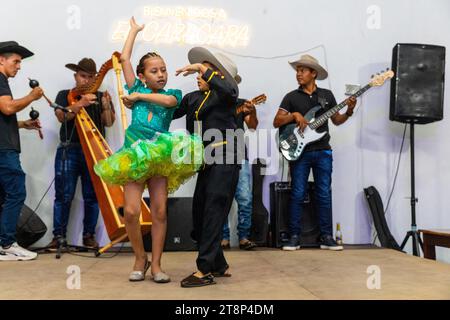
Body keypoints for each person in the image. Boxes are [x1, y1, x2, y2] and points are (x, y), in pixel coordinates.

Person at [94, 17, 202, 283]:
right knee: (130, 211)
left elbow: (167, 101)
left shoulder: (172, 93)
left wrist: (139, 97)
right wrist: (133, 31)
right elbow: (125, 59)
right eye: (155, 71)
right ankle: (139, 257)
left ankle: (156, 264)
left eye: (163, 69)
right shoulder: (135, 86)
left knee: (160, 211)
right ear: (142, 76)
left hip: (159, 155)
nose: (162, 74)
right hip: (135, 155)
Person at [173, 47, 243, 287]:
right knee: (201, 212)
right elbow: (169, 110)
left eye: (205, 72)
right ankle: (219, 264)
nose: (199, 76)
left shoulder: (226, 95)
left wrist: (201, 67)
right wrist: (141, 97)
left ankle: (205, 271)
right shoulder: (192, 98)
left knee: (213, 210)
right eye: (200, 71)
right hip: (206, 162)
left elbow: (231, 88)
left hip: (226, 156)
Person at [273, 54, 356, 251]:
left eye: (302, 71)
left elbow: (336, 120)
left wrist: (350, 110)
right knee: (298, 193)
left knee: (324, 194)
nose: (298, 74)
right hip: (300, 152)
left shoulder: (326, 96)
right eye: (297, 71)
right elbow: (277, 122)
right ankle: (294, 236)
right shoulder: (291, 97)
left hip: (323, 151)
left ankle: (326, 237)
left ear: (314, 74)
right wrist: (294, 115)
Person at [47, 57, 115, 250]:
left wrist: (106, 106)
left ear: (96, 78)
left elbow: (109, 122)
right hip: (69, 149)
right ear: (76, 76)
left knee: (92, 196)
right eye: (83, 76)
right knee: (63, 195)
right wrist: (80, 103)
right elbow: (62, 116)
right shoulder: (64, 95)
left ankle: (89, 236)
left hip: (95, 152)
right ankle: (58, 237)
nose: (86, 80)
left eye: (90, 77)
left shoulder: (100, 95)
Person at [0, 41, 43, 261]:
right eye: (16, 61)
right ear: (1, 60)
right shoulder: (0, 80)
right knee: (16, 192)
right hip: (4, 149)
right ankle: (6, 244)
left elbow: (3, 117)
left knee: (4, 195)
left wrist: (23, 124)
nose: (19, 66)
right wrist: (32, 97)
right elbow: (7, 107)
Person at [221, 99, 258, 251]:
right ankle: (223, 237)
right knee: (220, 198)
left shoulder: (241, 103)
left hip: (239, 154)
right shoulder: (209, 101)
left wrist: (253, 111)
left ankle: (244, 237)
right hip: (216, 154)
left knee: (245, 197)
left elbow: (252, 125)